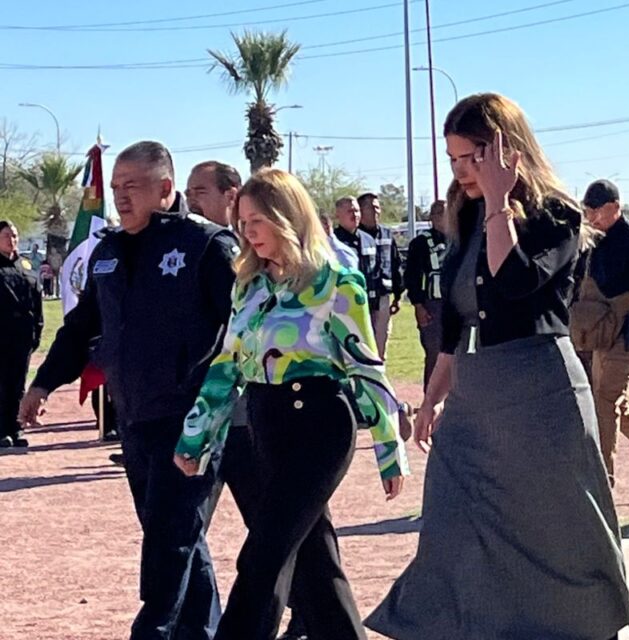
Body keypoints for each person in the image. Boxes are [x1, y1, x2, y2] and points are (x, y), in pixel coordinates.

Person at [366, 92, 629, 640]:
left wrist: (496, 203)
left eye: (472, 157)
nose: (462, 171)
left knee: (555, 527)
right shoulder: (463, 215)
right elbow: (458, 318)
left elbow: (513, 283)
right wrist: (433, 393)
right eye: (455, 160)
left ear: (507, 149)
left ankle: (581, 627)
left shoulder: (555, 214)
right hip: (478, 391)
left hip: (542, 391)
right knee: (451, 514)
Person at [174, 168, 408, 640]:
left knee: (265, 556)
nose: (247, 232)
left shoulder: (338, 282)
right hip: (267, 425)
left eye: (257, 220)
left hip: (321, 426)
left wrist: (388, 448)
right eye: (242, 221)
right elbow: (227, 366)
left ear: (287, 217)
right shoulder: (249, 285)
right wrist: (194, 437)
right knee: (314, 563)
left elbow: (366, 366)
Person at [20, 140, 237, 640]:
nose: (120, 196)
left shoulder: (206, 245)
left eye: (131, 186)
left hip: (192, 420)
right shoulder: (108, 251)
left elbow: (243, 328)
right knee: (176, 536)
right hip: (136, 420)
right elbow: (80, 328)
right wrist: (44, 382)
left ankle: (152, 632)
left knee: (170, 538)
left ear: (165, 189)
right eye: (116, 187)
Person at [571, 179, 629, 483]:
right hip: (600, 336)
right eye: (587, 211)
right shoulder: (594, 239)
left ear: (615, 208)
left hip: (628, 336)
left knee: (604, 401)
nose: (591, 217)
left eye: (596, 211)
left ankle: (603, 479)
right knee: (613, 405)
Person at [0, 220, 42, 449]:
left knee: (17, 384)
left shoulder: (25, 266)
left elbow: (36, 301)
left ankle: (15, 427)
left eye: (14, 235)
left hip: (22, 337)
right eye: (6, 235)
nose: (12, 240)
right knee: (2, 384)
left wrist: (37, 330)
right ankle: (1, 430)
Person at [403, 200, 449, 395]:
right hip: (433, 307)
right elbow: (412, 277)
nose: (443, 217)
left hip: (456, 306)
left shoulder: (460, 239)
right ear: (431, 218)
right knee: (435, 354)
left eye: (446, 213)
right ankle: (431, 399)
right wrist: (419, 306)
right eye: (438, 213)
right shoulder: (420, 243)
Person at [356, 192, 404, 359]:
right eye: (372, 208)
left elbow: (395, 263)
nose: (376, 211)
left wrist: (398, 295)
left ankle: (379, 375)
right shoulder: (353, 235)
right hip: (361, 297)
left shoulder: (386, 234)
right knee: (363, 342)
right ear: (360, 211)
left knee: (381, 341)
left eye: (378, 207)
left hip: (383, 295)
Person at [333, 196, 379, 287]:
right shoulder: (332, 241)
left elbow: (375, 270)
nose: (355, 215)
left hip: (368, 296)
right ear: (337, 215)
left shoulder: (368, 239)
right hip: (343, 296)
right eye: (350, 211)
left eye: (357, 211)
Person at [185, 161, 241, 227]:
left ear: (231, 196)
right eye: (188, 194)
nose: (191, 200)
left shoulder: (251, 235)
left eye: (200, 193)